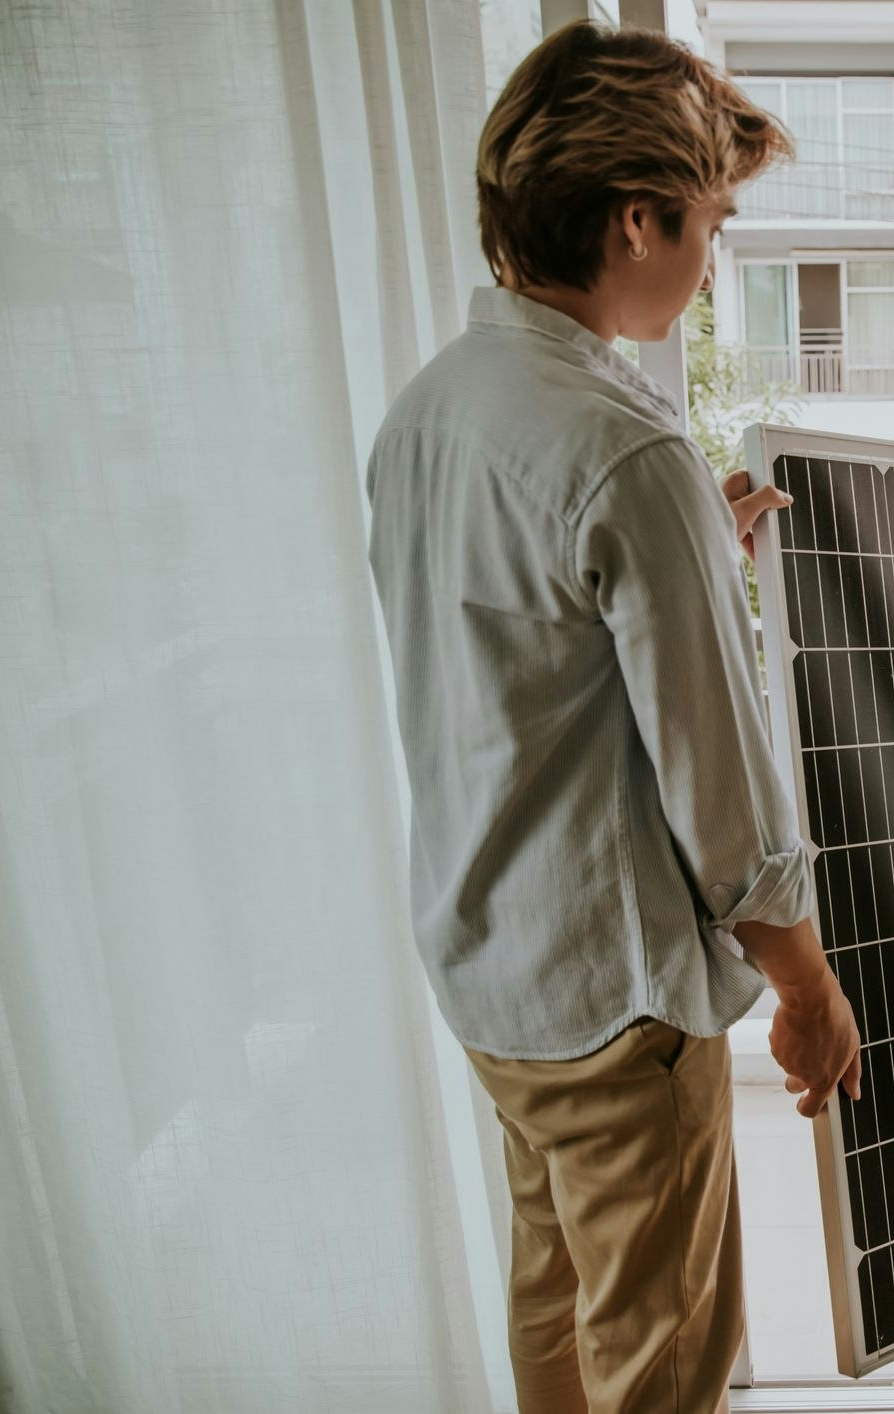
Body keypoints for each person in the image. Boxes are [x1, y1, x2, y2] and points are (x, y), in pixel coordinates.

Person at [364, 23, 860, 1413]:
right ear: (637, 219)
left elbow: (516, 641)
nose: (711, 262)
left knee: (556, 1301)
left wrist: (691, 533)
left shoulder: (431, 411)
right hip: (617, 1000)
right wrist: (810, 992)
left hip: (492, 969)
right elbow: (725, 797)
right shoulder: (624, 448)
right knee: (660, 1354)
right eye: (711, 223)